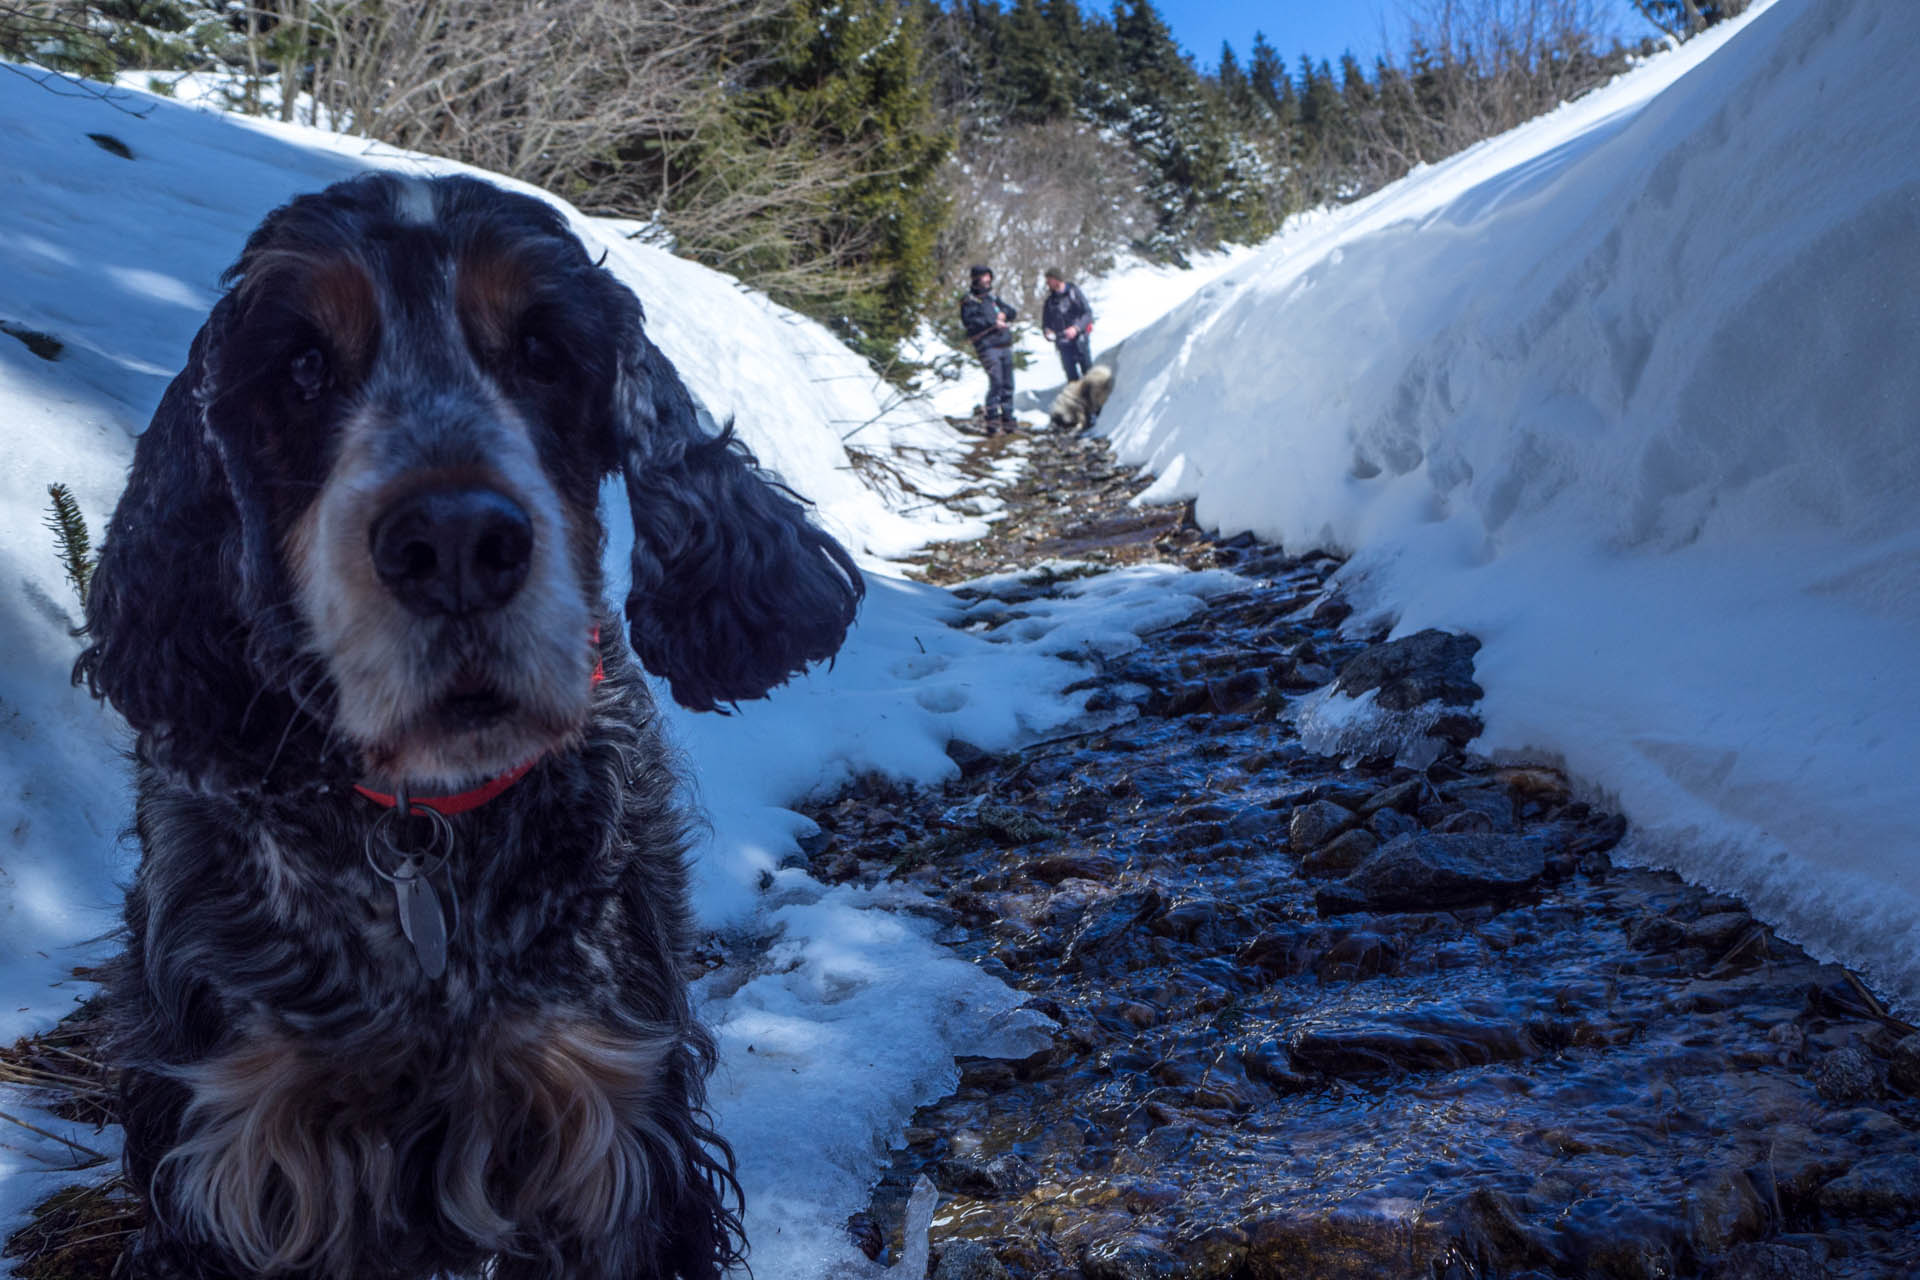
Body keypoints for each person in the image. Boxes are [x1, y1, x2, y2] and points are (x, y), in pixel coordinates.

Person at [959, 263, 1018, 431]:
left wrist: (1004, 314)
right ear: (976, 279)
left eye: (989, 276)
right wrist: (993, 323)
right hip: (987, 347)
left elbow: (1012, 312)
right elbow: (970, 322)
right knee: (997, 382)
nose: (987, 280)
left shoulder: (993, 298)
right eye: (984, 276)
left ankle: (1008, 419)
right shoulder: (969, 300)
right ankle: (992, 420)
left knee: (1008, 384)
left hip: (1004, 344)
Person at [1041, 267, 1095, 384]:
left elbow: (1087, 313)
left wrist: (1076, 328)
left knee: (1088, 373)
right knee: (1072, 378)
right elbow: (1046, 323)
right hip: (1063, 343)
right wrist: (1047, 332)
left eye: (1049, 280)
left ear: (1056, 279)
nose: (1047, 284)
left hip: (1079, 340)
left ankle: (1095, 398)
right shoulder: (1050, 302)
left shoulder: (1074, 293)